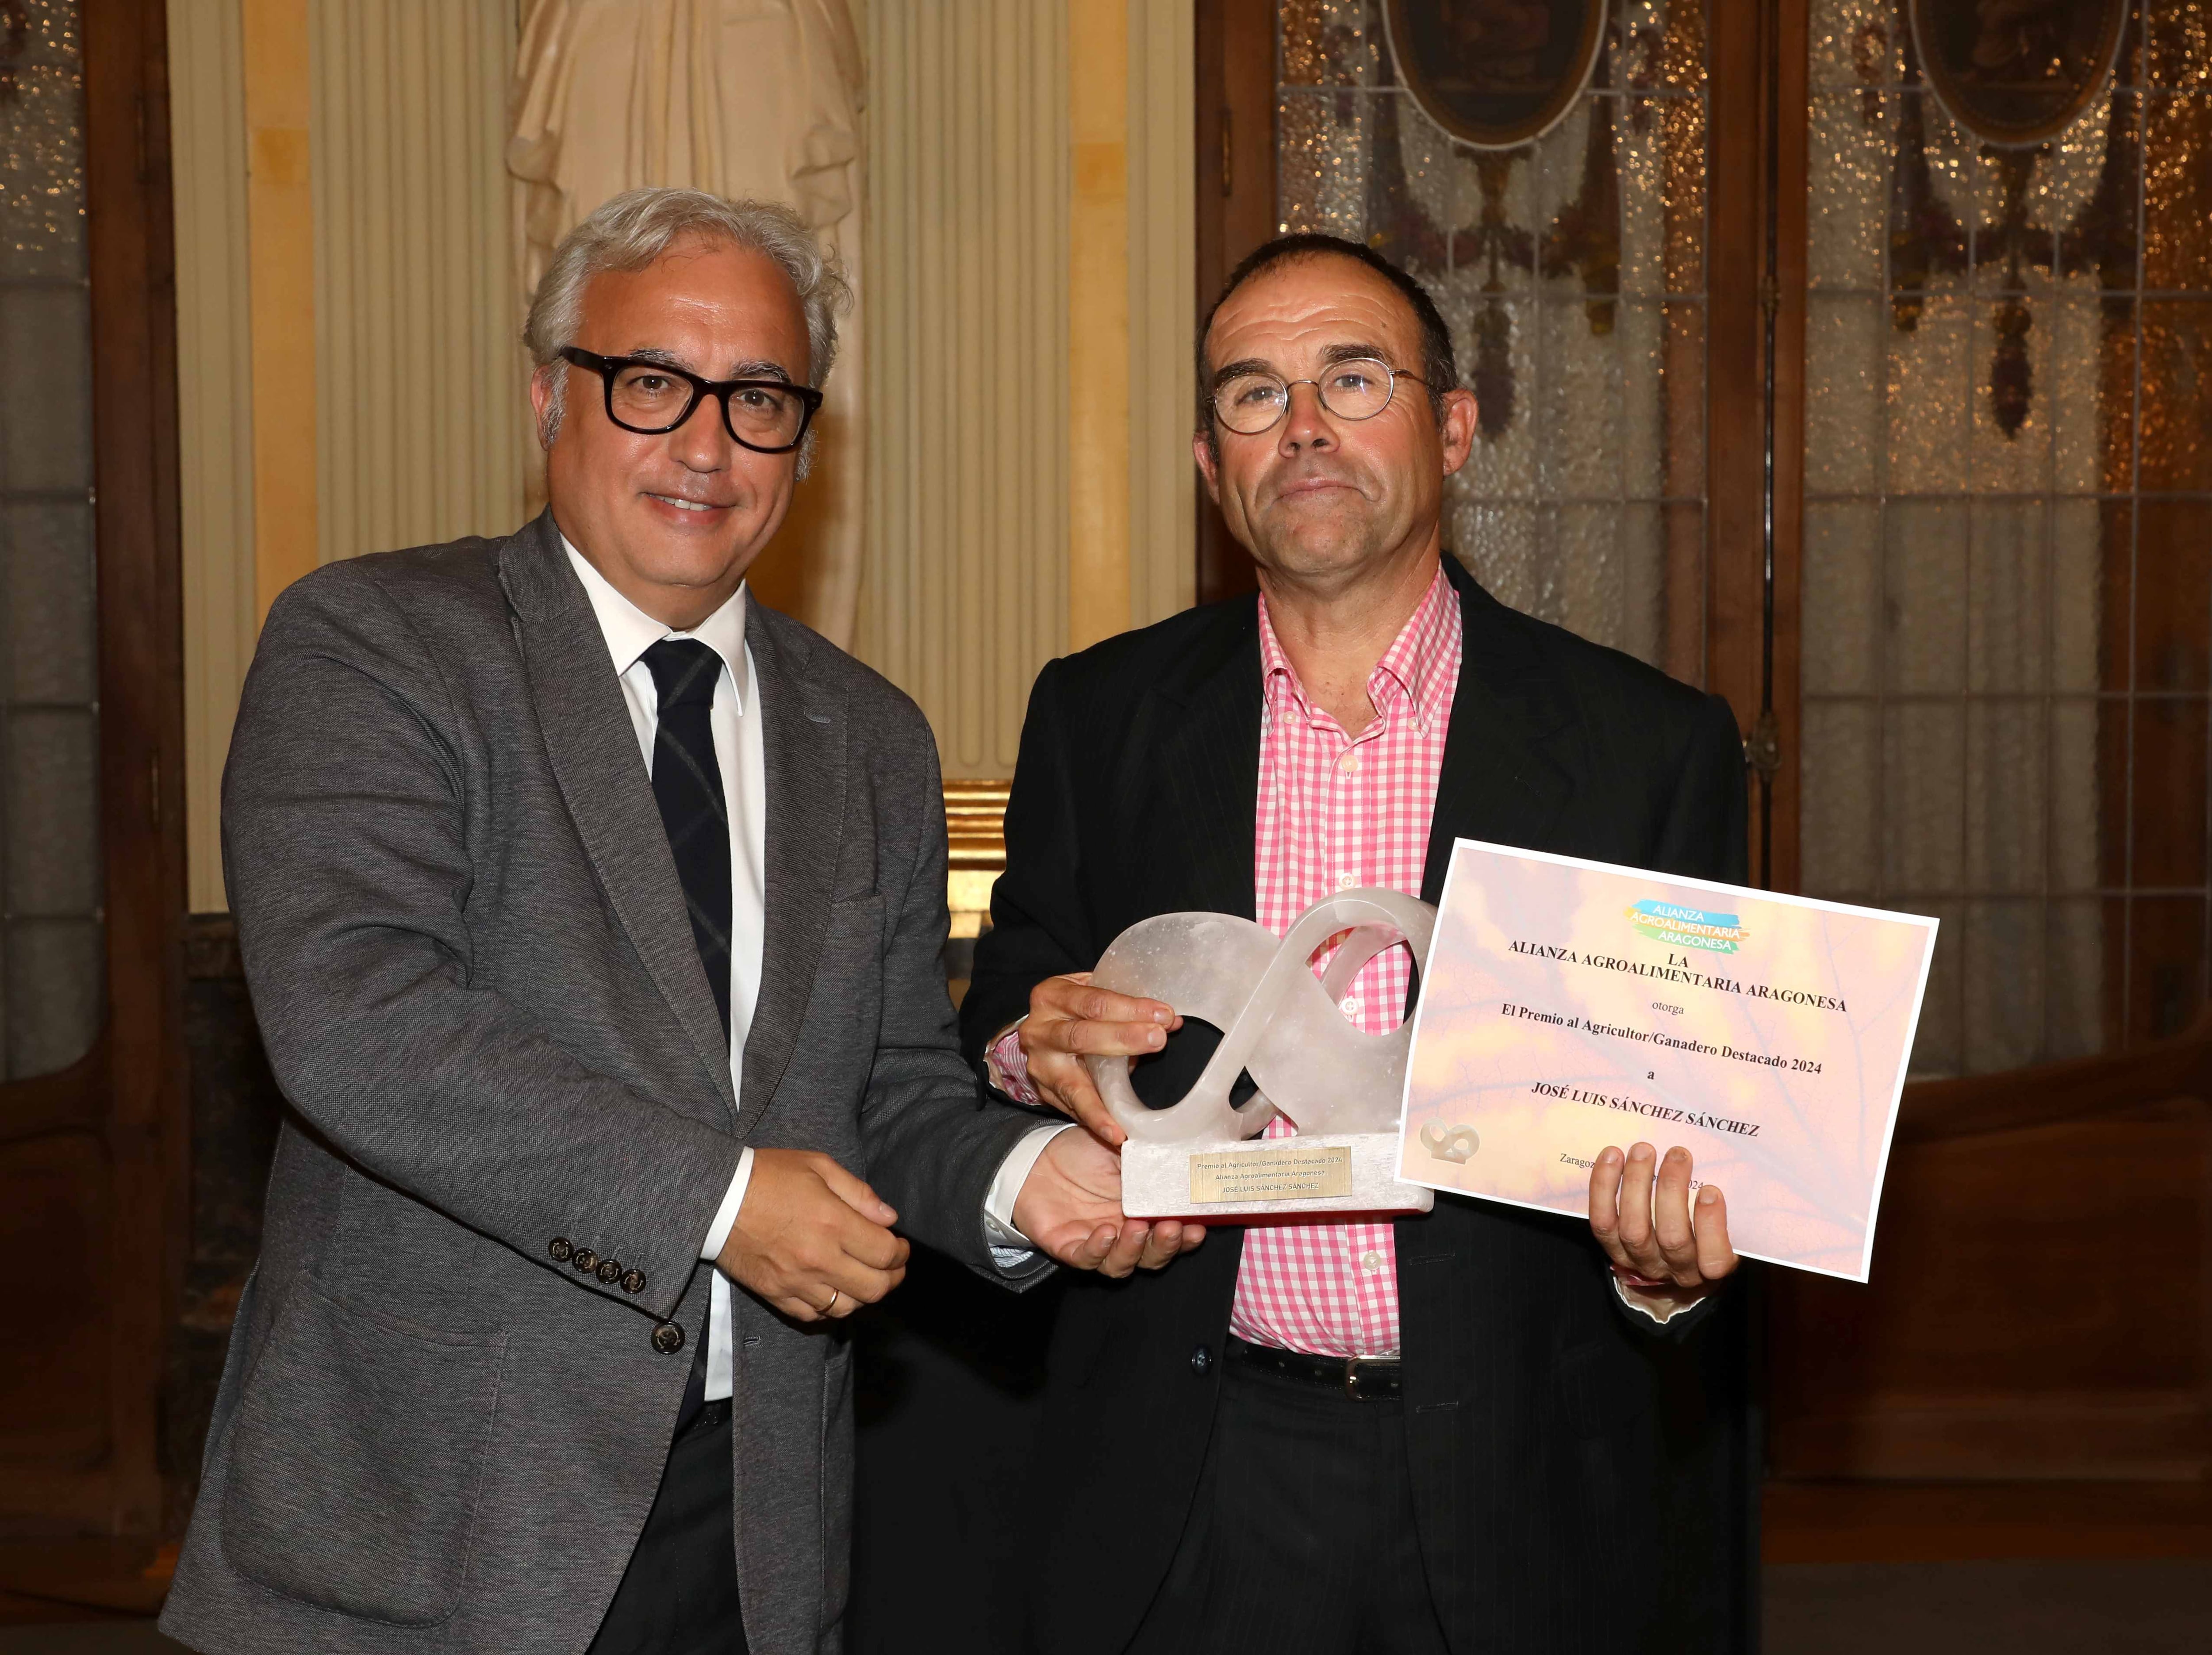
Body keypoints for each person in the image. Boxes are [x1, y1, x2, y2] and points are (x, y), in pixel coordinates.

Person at [159, 188, 1193, 1655]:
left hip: (757, 1517)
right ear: (547, 393)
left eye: (759, 397)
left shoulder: (869, 733)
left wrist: (1030, 1180)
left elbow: (887, 1083)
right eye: (652, 383)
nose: (706, 444)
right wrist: (720, 1202)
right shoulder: (377, 643)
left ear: (807, 440)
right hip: (439, 1510)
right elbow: (358, 1020)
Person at [961, 232, 1755, 1655]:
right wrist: (1043, 1051)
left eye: (1352, 376)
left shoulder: (1647, 746)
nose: (1305, 424)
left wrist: (1663, 1262)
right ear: (1213, 466)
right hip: (1193, 1458)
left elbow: (1690, 1115)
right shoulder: (1099, 714)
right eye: (1253, 395)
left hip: (1523, 1473)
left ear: (1452, 427)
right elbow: (1006, 1010)